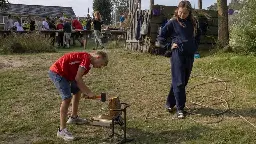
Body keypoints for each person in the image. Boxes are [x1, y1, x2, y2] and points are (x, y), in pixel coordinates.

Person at [48, 51, 109, 141]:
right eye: (101, 64)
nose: (100, 67)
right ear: (98, 57)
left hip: (67, 75)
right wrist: (88, 92)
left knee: (77, 91)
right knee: (67, 98)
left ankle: (74, 117)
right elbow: (78, 79)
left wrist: (85, 92)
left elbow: (77, 79)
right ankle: (62, 131)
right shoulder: (86, 59)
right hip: (58, 72)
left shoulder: (88, 64)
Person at [157, 1, 201, 119]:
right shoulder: (172, 23)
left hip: (189, 55)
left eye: (185, 13)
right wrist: (169, 46)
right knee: (179, 82)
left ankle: (170, 103)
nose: (182, 15)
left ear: (189, 12)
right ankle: (180, 108)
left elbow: (198, 36)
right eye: (181, 12)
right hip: (177, 54)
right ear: (177, 10)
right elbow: (161, 38)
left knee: (183, 81)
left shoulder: (193, 22)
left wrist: (194, 46)